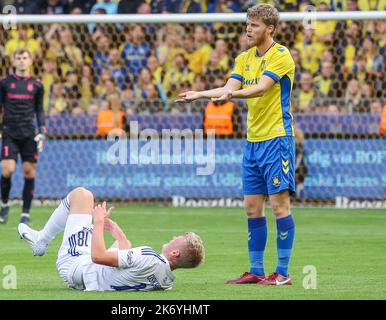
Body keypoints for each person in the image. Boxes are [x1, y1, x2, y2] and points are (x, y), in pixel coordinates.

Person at [176, 4, 296, 285]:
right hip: (253, 142)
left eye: (254, 26)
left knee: (280, 207)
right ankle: (256, 270)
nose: (248, 30)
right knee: (252, 208)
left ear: (270, 29)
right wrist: (200, 94)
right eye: (247, 24)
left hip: (277, 139)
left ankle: (282, 273)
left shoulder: (281, 55)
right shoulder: (244, 58)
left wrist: (232, 96)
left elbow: (261, 88)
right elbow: (228, 88)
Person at [18, 187, 205, 291]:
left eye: (177, 238)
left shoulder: (149, 255)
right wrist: (118, 234)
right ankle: (42, 239)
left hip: (75, 266)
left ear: (175, 252)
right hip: (91, 277)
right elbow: (126, 264)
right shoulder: (167, 281)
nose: (173, 237)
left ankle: (41, 240)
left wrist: (98, 222)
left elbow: (98, 257)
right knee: (126, 245)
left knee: (82, 195)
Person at [0, 48, 46, 226]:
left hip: (29, 134)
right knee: (7, 170)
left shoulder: (37, 85)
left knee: (29, 172)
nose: (22, 61)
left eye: (25, 57)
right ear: (13, 61)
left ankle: (25, 213)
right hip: (9, 133)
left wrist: (42, 131)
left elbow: (39, 109)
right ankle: (5, 204)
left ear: (30, 61)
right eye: (19, 58)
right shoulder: (4, 83)